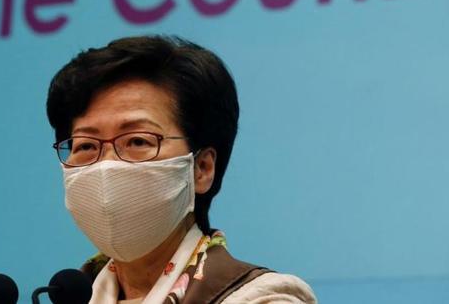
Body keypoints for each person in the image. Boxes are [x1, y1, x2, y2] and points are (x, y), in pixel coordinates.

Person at [46, 35, 317, 303]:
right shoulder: (73, 296)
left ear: (202, 168)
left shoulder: (262, 298)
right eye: (86, 147)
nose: (106, 165)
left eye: (138, 141)